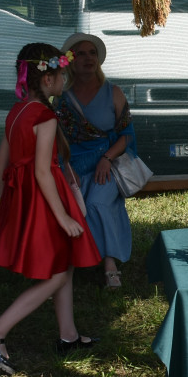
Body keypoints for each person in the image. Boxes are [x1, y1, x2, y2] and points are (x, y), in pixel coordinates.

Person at [0, 43, 103, 375]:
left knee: (66, 262)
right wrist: (62, 216)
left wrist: (10, 204)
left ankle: (68, 335)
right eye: (62, 75)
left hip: (26, 199)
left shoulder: (16, 111)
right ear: (47, 79)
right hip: (45, 199)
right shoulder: (44, 115)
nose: (65, 80)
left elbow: (1, 162)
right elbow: (43, 171)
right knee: (56, 272)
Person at [56, 33, 136, 289]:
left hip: (107, 163)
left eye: (93, 53)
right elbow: (57, 141)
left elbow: (127, 136)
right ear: (70, 61)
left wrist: (106, 158)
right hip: (73, 165)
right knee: (75, 204)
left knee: (97, 202)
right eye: (81, 53)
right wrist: (66, 170)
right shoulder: (62, 98)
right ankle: (72, 262)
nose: (88, 58)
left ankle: (109, 264)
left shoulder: (113, 92)